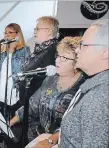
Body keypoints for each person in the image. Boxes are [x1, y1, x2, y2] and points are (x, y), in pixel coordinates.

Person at [6, 37, 85, 148]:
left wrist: (50, 141)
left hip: (63, 141)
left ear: (77, 63)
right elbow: (32, 105)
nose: (57, 60)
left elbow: (75, 126)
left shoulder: (83, 87)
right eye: (58, 55)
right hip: (38, 134)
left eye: (64, 58)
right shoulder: (51, 79)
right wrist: (10, 122)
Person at [59, 19, 109, 148]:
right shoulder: (96, 84)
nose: (77, 50)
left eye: (83, 45)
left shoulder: (99, 97)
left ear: (105, 52)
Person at [0, 23, 30, 143]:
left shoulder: (24, 50)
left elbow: (23, 69)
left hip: (13, 88)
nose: (6, 35)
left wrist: (12, 50)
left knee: (12, 115)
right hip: (1, 87)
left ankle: (10, 138)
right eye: (5, 33)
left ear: (18, 35)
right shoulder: (2, 50)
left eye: (10, 33)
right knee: (1, 113)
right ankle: (1, 133)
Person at [19, 16, 60, 106]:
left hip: (35, 104)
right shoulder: (42, 48)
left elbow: (48, 82)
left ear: (48, 31)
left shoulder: (52, 51)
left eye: (37, 29)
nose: (34, 32)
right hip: (27, 101)